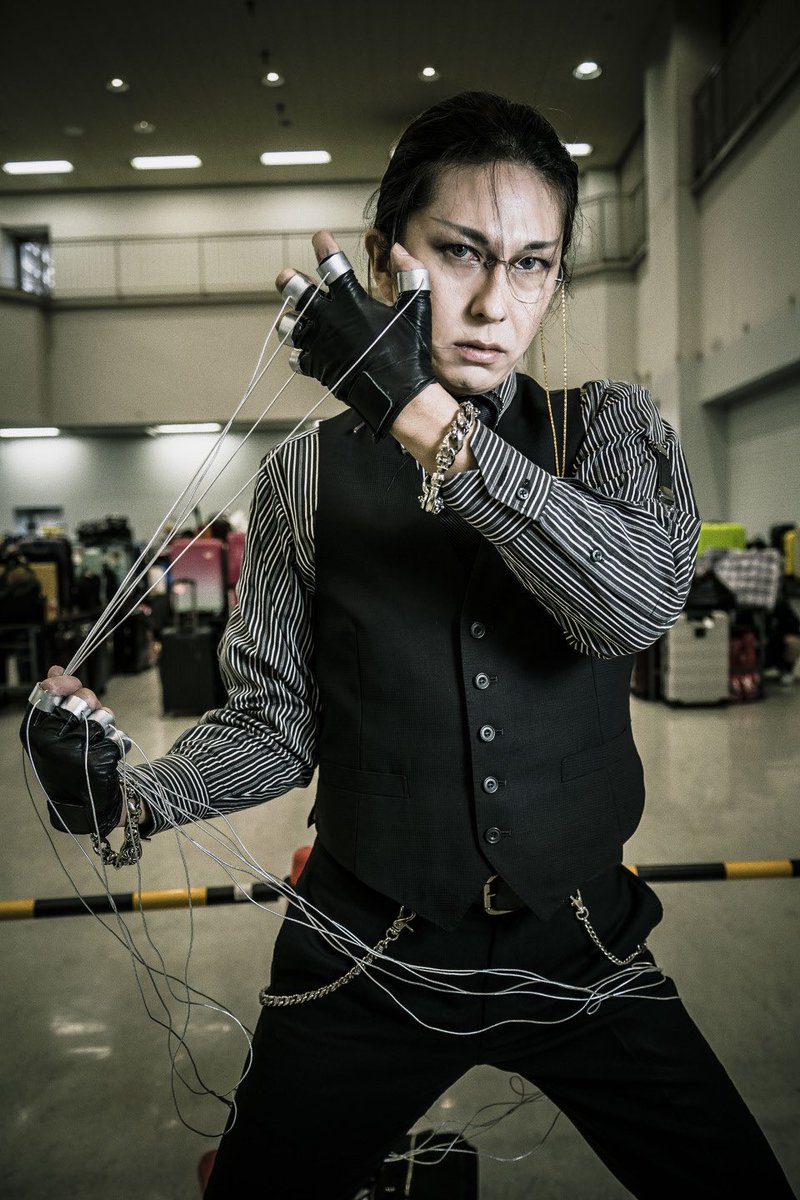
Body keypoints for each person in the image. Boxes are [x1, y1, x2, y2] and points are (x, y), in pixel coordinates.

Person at [23, 92, 794, 1199]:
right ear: (387, 256)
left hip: (579, 943)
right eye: (461, 252)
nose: (493, 303)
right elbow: (274, 727)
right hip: (364, 951)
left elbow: (629, 610)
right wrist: (128, 796)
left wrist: (415, 413)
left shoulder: (611, 429)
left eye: (532, 265)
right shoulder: (303, 477)